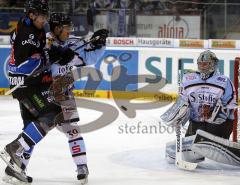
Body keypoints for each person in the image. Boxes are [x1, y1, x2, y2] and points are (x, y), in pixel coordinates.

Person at [0, 0, 61, 183]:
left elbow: (46, 39)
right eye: (41, 16)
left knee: (32, 128)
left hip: (26, 85)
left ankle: (16, 168)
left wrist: (49, 47)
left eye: (45, 16)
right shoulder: (27, 36)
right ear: (32, 14)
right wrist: (46, 57)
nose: (44, 19)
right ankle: (15, 147)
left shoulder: (30, 24)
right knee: (54, 114)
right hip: (26, 85)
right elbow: (23, 66)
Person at [162, 50, 239, 166]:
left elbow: (231, 104)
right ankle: (193, 146)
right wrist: (179, 114)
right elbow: (183, 101)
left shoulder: (224, 81)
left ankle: (211, 142)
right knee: (193, 146)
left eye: (206, 64)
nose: (202, 67)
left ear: (213, 64)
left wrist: (215, 112)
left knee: (202, 139)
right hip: (197, 122)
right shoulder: (189, 80)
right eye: (200, 64)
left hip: (219, 124)